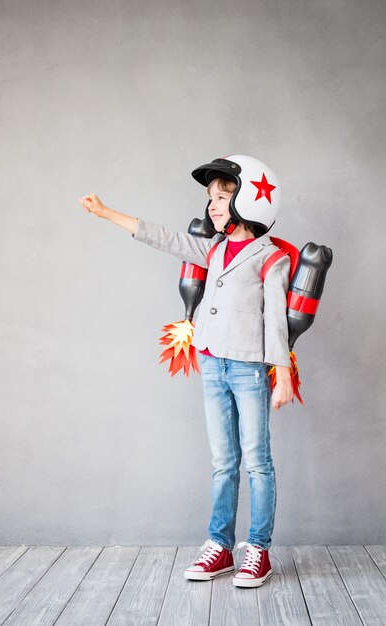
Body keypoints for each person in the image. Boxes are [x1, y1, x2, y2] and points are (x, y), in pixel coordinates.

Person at [78, 154, 294, 588]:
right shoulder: (212, 248)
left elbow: (275, 321)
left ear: (252, 200)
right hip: (212, 364)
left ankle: (258, 550)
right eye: (211, 198)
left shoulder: (270, 259)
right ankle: (220, 546)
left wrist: (283, 373)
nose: (213, 206)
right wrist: (106, 213)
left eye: (223, 197)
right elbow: (162, 238)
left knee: (257, 461)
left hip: (249, 369)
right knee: (223, 461)